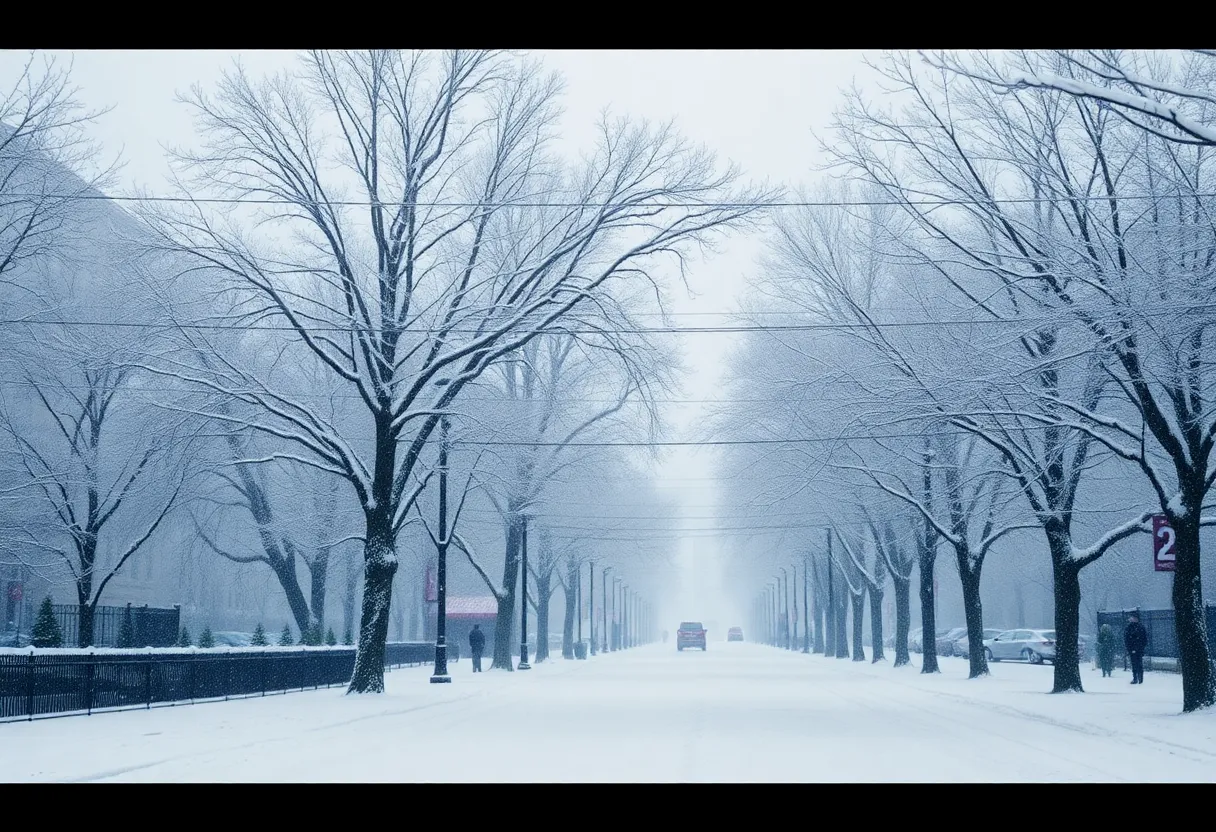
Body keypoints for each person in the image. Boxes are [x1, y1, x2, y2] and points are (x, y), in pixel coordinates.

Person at [1124, 614, 1148, 685]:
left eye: (1133, 618)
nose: (1132, 619)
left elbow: (1144, 639)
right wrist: (1130, 648)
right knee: (1134, 664)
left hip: (1138, 649)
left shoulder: (1139, 627)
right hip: (1133, 649)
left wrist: (1140, 647)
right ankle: (1135, 678)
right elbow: (1127, 639)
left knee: (1138, 663)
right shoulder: (1129, 627)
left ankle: (1140, 678)